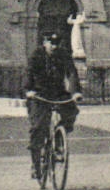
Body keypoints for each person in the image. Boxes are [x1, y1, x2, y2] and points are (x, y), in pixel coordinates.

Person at [25, 30, 81, 179]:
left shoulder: (63, 54)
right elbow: (29, 73)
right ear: (44, 43)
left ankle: (59, 138)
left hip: (57, 92)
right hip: (39, 94)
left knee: (71, 110)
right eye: (51, 43)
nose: (54, 46)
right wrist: (29, 90)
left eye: (56, 43)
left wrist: (75, 92)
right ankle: (36, 163)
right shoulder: (37, 55)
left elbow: (71, 73)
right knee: (38, 128)